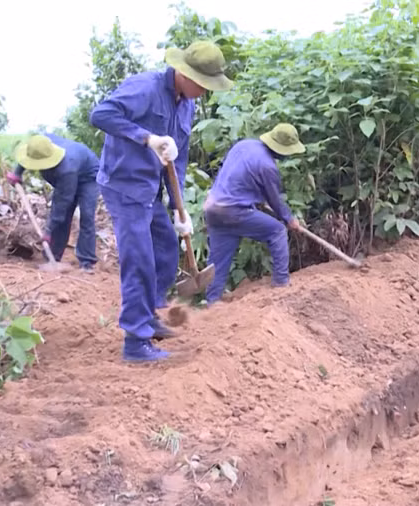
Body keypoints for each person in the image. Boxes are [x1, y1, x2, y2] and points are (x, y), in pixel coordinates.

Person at [89, 40, 233, 362]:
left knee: (167, 250)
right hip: (124, 184)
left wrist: (178, 209)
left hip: (151, 188)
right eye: (202, 84)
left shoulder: (187, 105)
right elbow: (100, 114)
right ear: (183, 73)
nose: (204, 92)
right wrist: (146, 138)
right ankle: (135, 341)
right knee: (139, 258)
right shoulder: (144, 88)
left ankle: (149, 313)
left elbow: (176, 159)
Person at [203, 123, 306, 305]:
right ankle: (281, 282)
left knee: (219, 258)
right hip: (233, 210)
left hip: (213, 207)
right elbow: (275, 201)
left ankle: (212, 301)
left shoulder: (244, 145)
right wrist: (290, 219)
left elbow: (238, 177)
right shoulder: (268, 167)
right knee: (277, 231)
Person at [6, 134, 100, 271]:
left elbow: (63, 202)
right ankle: (53, 257)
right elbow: (27, 156)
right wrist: (17, 173)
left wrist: (48, 230)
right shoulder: (40, 143)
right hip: (67, 174)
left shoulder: (67, 168)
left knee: (86, 216)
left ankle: (86, 261)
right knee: (62, 218)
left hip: (88, 177)